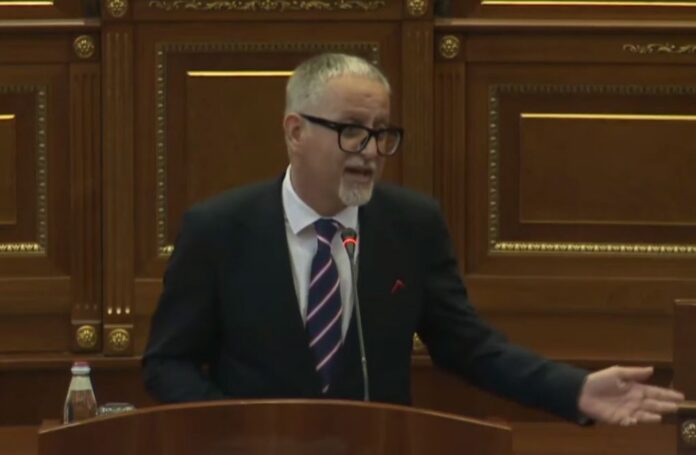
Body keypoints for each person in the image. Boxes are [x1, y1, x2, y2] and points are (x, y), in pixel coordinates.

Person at [143, 53, 684, 426]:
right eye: (351, 130)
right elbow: (168, 363)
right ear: (295, 131)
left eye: (382, 133)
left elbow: (468, 346)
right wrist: (234, 431)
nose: (370, 151)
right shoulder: (219, 229)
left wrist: (574, 389)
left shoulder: (411, 225)